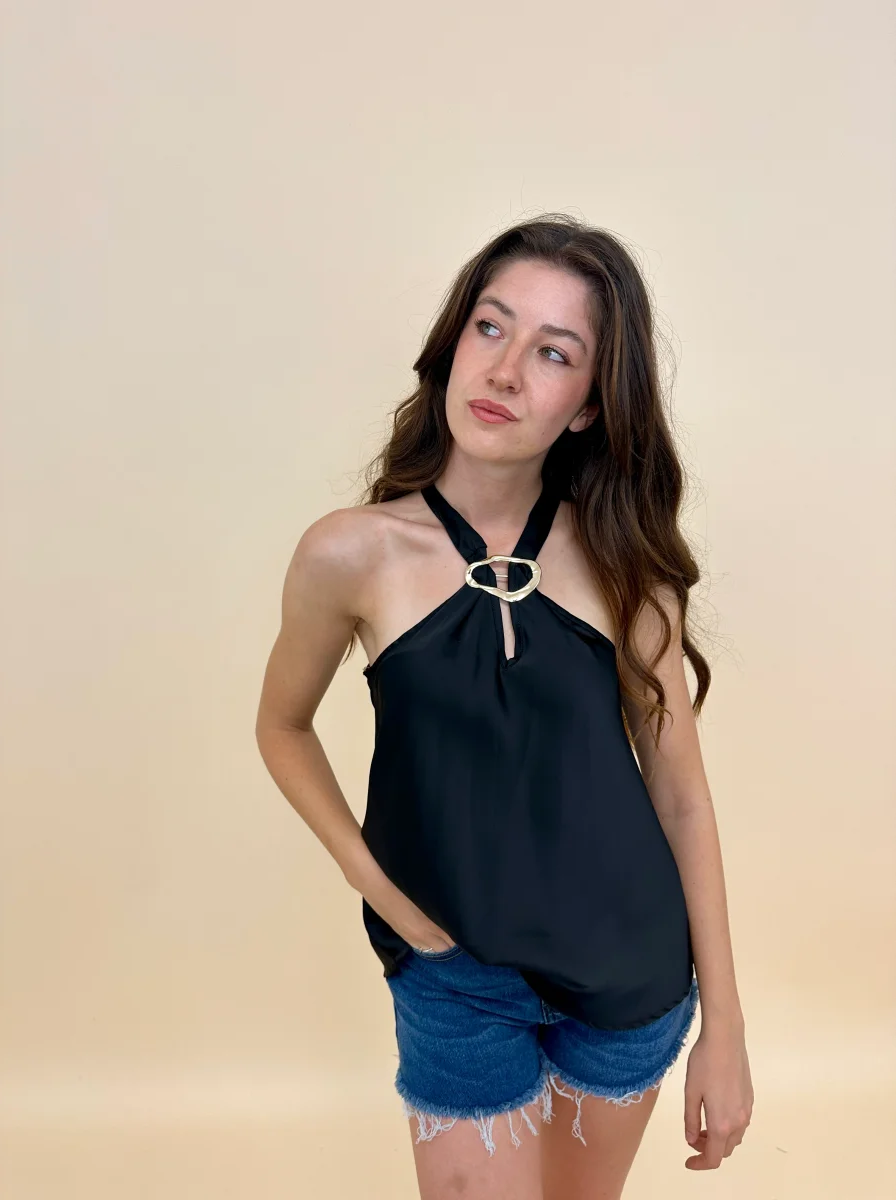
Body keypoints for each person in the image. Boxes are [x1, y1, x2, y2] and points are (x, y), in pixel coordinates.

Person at [255, 213, 753, 1198]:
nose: (506, 370)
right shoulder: (349, 553)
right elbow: (281, 726)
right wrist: (377, 885)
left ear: (588, 406)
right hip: (451, 969)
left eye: (553, 352)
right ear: (454, 343)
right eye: (491, 327)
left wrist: (727, 1030)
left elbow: (682, 799)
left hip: (628, 968)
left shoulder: (625, 565)